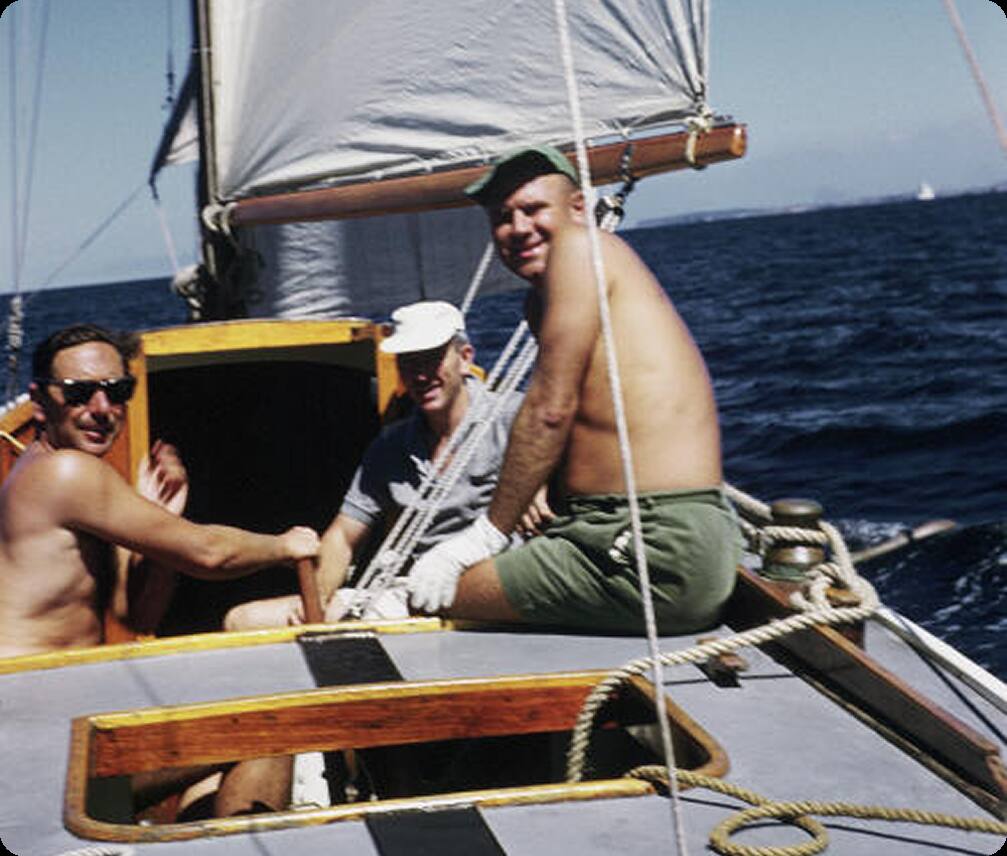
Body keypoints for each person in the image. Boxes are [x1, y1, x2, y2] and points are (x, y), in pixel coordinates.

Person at [405, 145, 742, 634]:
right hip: (607, 531)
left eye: (534, 209)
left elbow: (549, 410)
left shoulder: (582, 249)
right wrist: (546, 481)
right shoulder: (541, 303)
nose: (518, 228)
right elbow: (587, 407)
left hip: (649, 546)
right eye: (502, 217)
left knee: (414, 597)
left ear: (579, 208)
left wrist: (485, 535)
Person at [0, 323, 319, 817]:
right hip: (39, 740)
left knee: (225, 751)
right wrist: (287, 545)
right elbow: (210, 554)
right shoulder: (66, 474)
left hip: (62, 726)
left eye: (117, 391)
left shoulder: (53, 471)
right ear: (41, 402)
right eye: (80, 393)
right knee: (272, 722)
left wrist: (162, 527)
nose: (102, 410)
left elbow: (137, 616)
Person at [224, 300, 546, 629]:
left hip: (489, 586)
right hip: (412, 591)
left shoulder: (514, 417)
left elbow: (573, 459)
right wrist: (318, 599)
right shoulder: (390, 446)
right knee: (243, 621)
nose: (420, 375)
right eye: (408, 363)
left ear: (465, 359)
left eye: (432, 359)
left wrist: (540, 481)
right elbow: (342, 537)